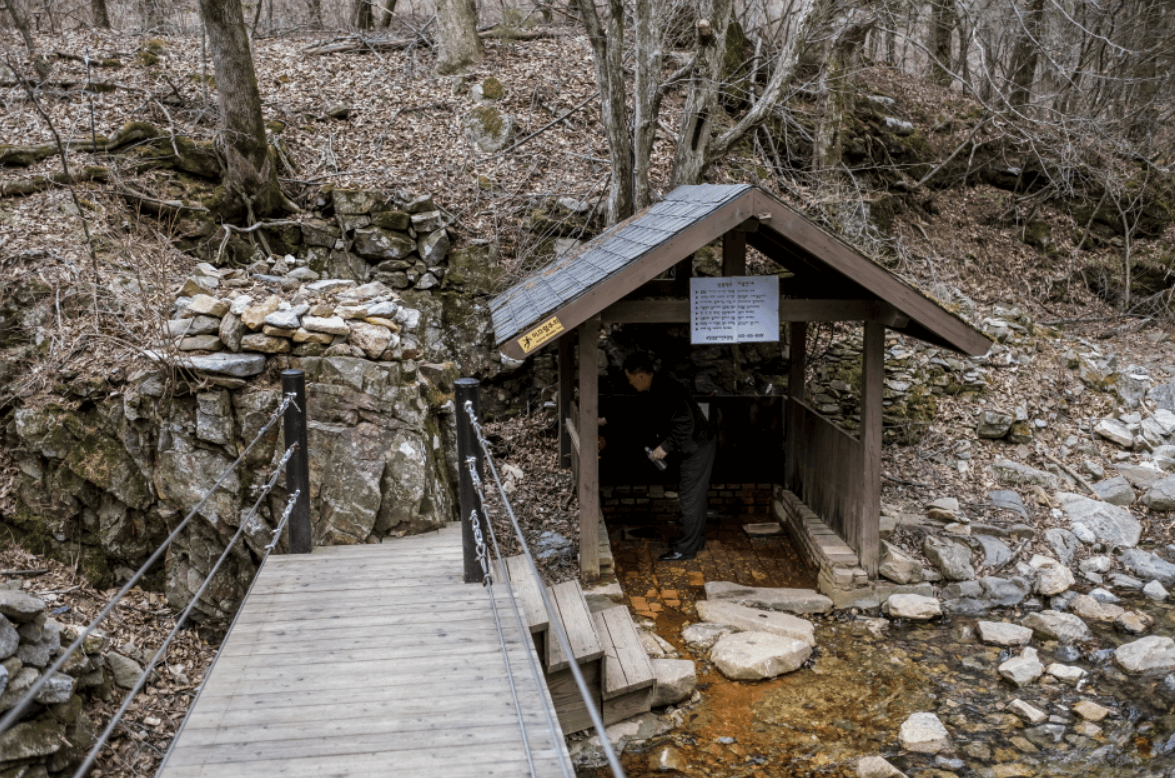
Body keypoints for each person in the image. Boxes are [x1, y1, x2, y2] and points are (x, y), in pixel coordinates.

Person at [623, 352, 716, 562]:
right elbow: (641, 414)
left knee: (690, 497)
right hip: (695, 444)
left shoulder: (667, 390)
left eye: (630, 379)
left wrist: (665, 447)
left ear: (640, 375)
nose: (630, 383)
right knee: (695, 496)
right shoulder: (654, 389)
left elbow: (685, 423)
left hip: (698, 446)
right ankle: (695, 541)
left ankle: (686, 549)